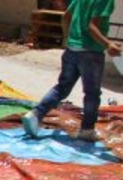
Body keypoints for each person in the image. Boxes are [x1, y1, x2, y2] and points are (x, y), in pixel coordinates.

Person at [22, 0, 122, 142]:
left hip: (72, 50)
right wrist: (108, 44)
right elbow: (91, 27)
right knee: (92, 93)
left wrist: (68, 38)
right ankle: (87, 130)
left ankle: (36, 114)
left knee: (62, 87)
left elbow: (66, 16)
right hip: (91, 53)